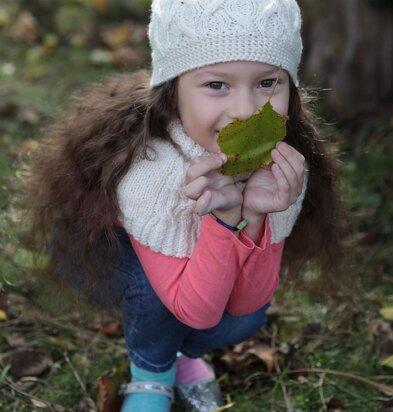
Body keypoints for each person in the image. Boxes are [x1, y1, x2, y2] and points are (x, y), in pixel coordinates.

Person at [27, 0, 343, 411]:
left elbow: (246, 305)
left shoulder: (282, 168)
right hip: (108, 256)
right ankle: (152, 374)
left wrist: (254, 216)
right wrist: (223, 218)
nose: (246, 110)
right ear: (173, 92)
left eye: (268, 83)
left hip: (196, 283)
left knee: (243, 321)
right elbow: (192, 310)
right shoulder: (150, 172)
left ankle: (181, 355)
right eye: (217, 85)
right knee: (158, 301)